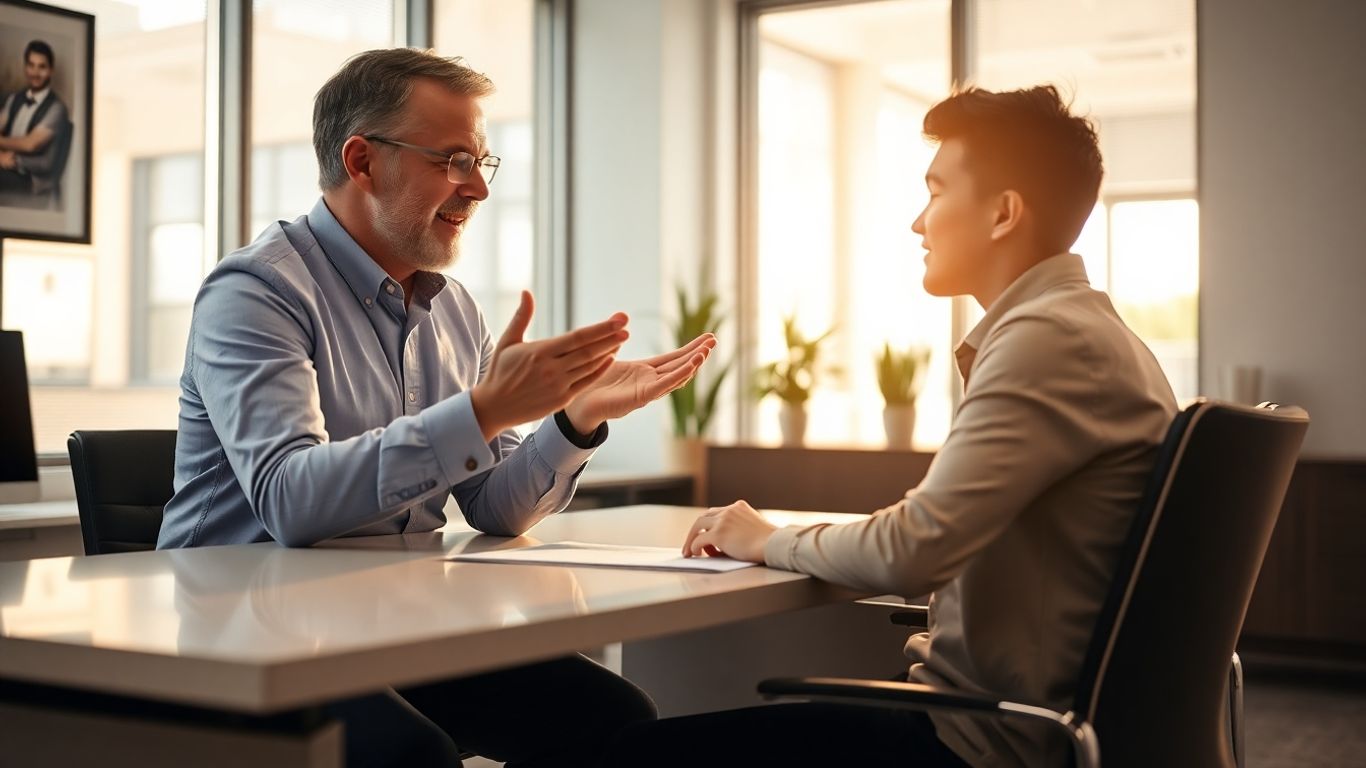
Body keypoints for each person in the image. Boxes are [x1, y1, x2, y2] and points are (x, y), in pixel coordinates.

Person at [158, 48, 716, 767]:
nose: (478, 189)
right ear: (362, 162)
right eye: (454, 161)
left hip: (390, 626)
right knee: (408, 754)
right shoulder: (256, 293)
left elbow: (492, 506)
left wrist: (573, 420)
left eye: (483, 162)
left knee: (611, 717)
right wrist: (482, 412)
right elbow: (289, 498)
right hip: (244, 638)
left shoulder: (454, 311)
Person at [603, 86, 1179, 768]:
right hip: (1013, 725)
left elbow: (915, 548)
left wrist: (767, 538)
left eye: (936, 192)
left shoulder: (1048, 339)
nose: (918, 222)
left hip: (972, 744)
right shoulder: (1089, 333)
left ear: (1003, 213)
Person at [0, 40, 70, 202]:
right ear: (25, 67)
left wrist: (9, 156)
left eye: (42, 67)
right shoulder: (14, 99)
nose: (35, 72)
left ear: (51, 70)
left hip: (33, 180)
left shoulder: (57, 108)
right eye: (31, 65)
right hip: (6, 166)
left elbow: (29, 144)